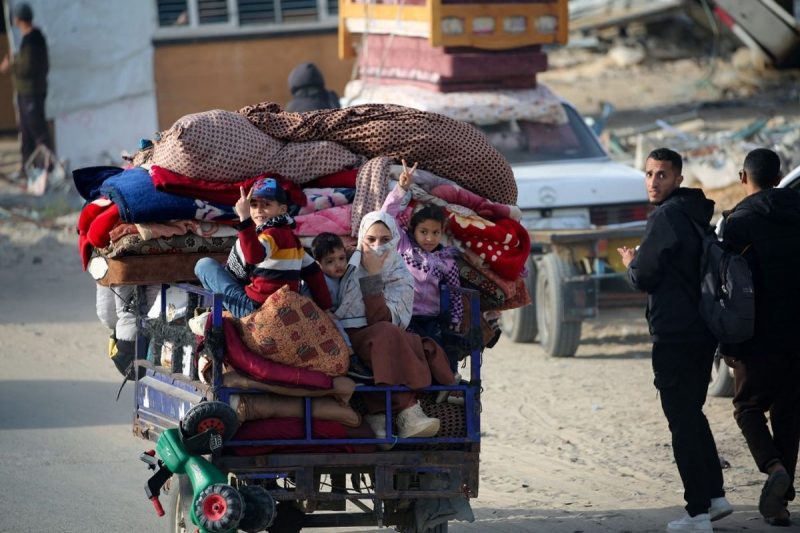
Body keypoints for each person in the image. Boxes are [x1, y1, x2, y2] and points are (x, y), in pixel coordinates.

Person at [617, 148, 731, 532]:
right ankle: (715, 498)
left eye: (662, 175)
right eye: (648, 174)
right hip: (700, 331)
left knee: (681, 421)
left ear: (679, 178)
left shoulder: (666, 216)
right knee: (692, 414)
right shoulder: (696, 214)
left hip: (675, 334)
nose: (653, 182)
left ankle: (697, 513)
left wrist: (631, 263)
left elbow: (645, 275)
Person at [719, 148, 800, 527]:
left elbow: (730, 284)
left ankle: (773, 467)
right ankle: (780, 502)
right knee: (789, 412)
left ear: (742, 178)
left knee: (748, 407)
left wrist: (727, 338)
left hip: (757, 332)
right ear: (779, 175)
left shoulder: (738, 222)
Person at [335, 210, 457, 442]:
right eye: (370, 240)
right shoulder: (346, 266)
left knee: (413, 342)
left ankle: (388, 415)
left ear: (395, 241)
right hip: (351, 338)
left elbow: (382, 319)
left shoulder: (401, 274)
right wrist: (370, 276)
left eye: (384, 240)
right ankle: (406, 410)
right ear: (361, 238)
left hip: (383, 335)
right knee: (391, 336)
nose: (377, 246)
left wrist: (373, 277)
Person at [194, 177, 331, 318]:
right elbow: (314, 272)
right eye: (253, 205)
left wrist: (245, 220)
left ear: (282, 209)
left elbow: (253, 256)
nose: (259, 210)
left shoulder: (272, 234)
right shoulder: (291, 239)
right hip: (281, 309)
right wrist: (326, 307)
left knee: (204, 265)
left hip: (255, 309)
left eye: (266, 204)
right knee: (228, 272)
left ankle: (223, 310)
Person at [381, 160, 463, 371]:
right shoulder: (404, 246)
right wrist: (401, 188)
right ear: (413, 230)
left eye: (435, 233)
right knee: (408, 354)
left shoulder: (447, 260)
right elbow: (386, 217)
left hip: (432, 319)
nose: (429, 238)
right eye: (424, 232)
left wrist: (455, 318)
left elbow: (455, 292)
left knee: (442, 353)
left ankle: (447, 385)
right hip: (404, 318)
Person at [0, 2, 52, 175]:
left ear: (18, 19)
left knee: (38, 131)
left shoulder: (33, 39)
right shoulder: (28, 39)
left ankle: (49, 168)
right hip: (26, 92)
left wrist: (11, 65)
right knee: (26, 132)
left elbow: (28, 67)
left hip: (32, 92)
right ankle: (26, 169)